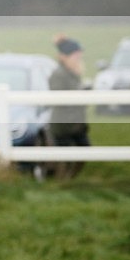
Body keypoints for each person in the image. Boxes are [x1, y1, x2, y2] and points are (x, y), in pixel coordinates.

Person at [42, 35, 88, 180]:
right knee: (66, 157)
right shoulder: (59, 74)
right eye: (76, 56)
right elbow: (59, 98)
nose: (78, 59)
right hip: (64, 124)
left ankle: (68, 180)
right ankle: (62, 181)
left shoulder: (72, 73)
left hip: (76, 123)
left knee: (83, 152)